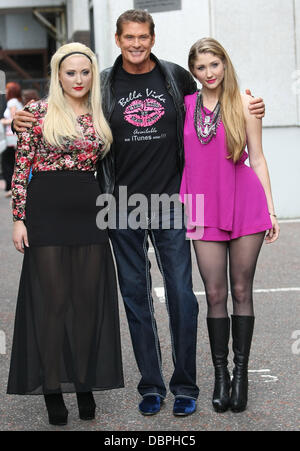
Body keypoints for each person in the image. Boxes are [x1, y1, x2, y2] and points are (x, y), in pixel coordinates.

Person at [13, 10, 265, 417]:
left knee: (183, 296)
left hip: (174, 202)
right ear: (117, 40)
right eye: (128, 37)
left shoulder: (175, 76)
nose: (136, 44)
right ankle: (151, 385)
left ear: (152, 37)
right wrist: (25, 116)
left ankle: (185, 385)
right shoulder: (104, 83)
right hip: (119, 203)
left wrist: (251, 105)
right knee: (136, 299)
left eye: (143, 37)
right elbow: (68, 104)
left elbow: (211, 100)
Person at [7, 42, 124, 426]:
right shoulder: (37, 112)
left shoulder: (100, 112)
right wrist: (19, 218)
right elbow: (21, 168)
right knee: (53, 305)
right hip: (45, 213)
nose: (78, 79)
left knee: (85, 304)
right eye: (71, 72)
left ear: (93, 75)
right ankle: (53, 388)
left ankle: (85, 384)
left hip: (89, 214)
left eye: (85, 72)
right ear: (58, 75)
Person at [180, 37, 279, 413]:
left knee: (241, 289)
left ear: (225, 64)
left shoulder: (244, 103)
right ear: (193, 71)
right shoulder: (185, 106)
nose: (209, 73)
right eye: (201, 67)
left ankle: (241, 376)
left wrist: (270, 210)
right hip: (202, 205)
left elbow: (258, 159)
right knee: (215, 293)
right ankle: (220, 376)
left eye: (215, 65)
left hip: (245, 202)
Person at [1, 82, 23, 197]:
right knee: (13, 161)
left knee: (7, 161)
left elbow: (14, 119)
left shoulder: (12, 102)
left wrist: (2, 121)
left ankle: (10, 187)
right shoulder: (18, 101)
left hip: (11, 137)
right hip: (15, 136)